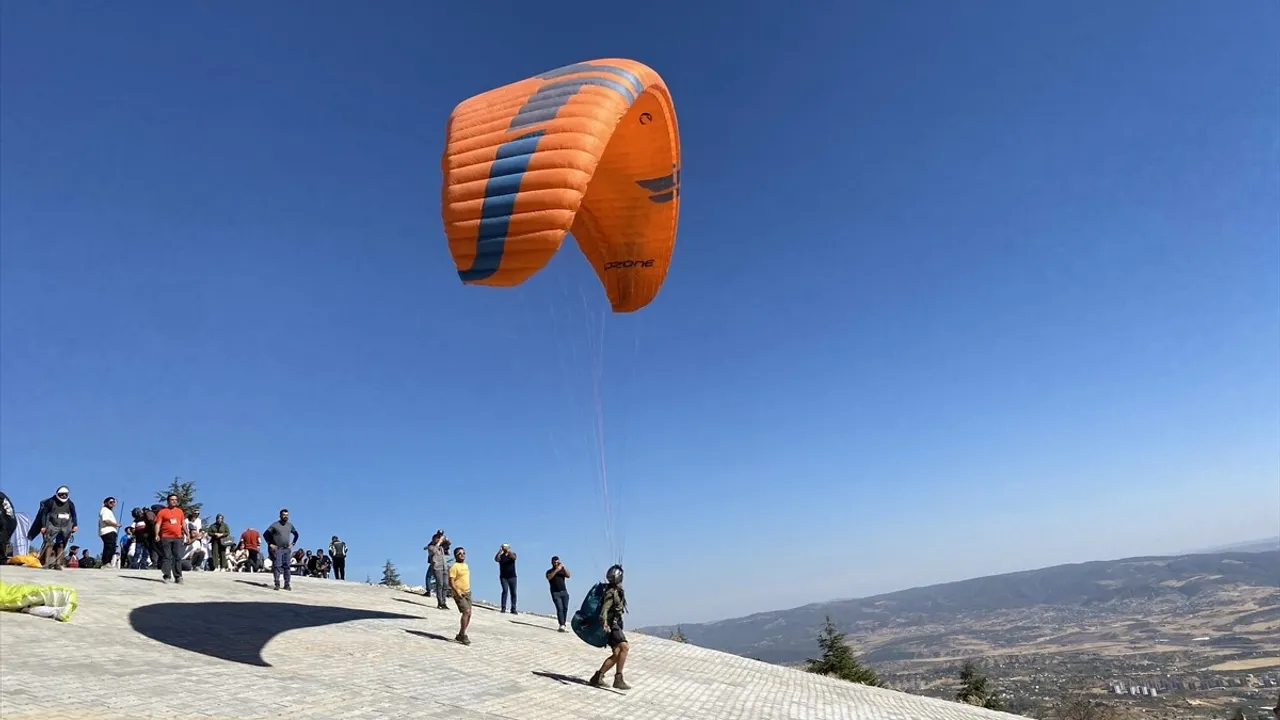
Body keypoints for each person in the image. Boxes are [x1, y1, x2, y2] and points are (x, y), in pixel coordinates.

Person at [589, 564, 630, 690]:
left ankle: (598, 677)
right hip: (613, 625)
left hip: (616, 623)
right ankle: (618, 678)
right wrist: (605, 622)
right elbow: (605, 608)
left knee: (617, 653)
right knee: (624, 647)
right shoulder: (611, 592)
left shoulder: (618, 590)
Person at [30, 486, 78, 570]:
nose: (63, 496)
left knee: (61, 544)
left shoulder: (70, 503)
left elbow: (74, 514)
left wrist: (75, 525)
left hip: (65, 526)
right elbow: (44, 514)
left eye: (65, 494)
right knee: (49, 543)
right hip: (52, 525)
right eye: (61, 494)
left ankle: (57, 563)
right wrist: (43, 526)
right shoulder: (50, 502)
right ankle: (46, 562)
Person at [154, 494, 189, 584]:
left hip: (178, 537)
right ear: (168, 501)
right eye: (172, 499)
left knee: (177, 557)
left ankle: (178, 576)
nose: (174, 501)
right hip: (166, 537)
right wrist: (157, 534)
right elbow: (158, 524)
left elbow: (183, 524)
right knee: (167, 556)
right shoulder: (162, 512)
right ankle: (167, 576)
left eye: (175, 500)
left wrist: (187, 534)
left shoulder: (180, 511)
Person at [264, 508, 299, 591]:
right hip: (278, 549)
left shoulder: (290, 525)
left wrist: (293, 543)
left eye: (287, 515)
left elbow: (296, 534)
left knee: (287, 567)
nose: (285, 517)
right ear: (280, 516)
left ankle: (287, 584)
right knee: (277, 566)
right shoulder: (275, 525)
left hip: (287, 549)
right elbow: (266, 534)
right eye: (284, 515)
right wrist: (270, 544)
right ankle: (277, 584)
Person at [448, 546, 472, 645]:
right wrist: (457, 591)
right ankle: (463, 635)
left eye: (463, 553)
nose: (462, 555)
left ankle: (461, 634)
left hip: (467, 592)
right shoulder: (454, 567)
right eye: (459, 554)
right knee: (466, 611)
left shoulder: (466, 565)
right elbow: (451, 581)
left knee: (469, 614)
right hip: (459, 593)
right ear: (456, 556)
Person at [546, 556, 572, 632]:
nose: (556, 563)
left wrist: (563, 568)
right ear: (552, 563)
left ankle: (563, 624)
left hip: (564, 592)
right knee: (559, 608)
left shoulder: (562, 571)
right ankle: (562, 624)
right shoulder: (549, 571)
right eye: (554, 562)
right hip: (555, 593)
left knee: (565, 608)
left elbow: (568, 575)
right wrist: (557, 570)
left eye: (557, 562)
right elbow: (549, 578)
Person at [425, 531, 448, 609]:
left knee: (445, 585)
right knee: (440, 585)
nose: (439, 540)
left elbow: (448, 545)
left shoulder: (441, 547)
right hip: (437, 568)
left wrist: (445, 539)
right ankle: (440, 602)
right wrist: (439, 542)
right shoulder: (431, 547)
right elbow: (433, 551)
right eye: (437, 539)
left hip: (444, 567)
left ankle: (444, 602)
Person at [98, 497, 121, 568]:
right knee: (108, 546)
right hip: (107, 531)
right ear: (105, 503)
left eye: (114, 502)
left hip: (111, 531)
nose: (113, 504)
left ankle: (108, 562)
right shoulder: (105, 510)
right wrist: (116, 524)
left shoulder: (109, 511)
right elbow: (106, 520)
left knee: (112, 547)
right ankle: (105, 563)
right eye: (111, 502)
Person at [495, 543, 518, 614]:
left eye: (506, 547)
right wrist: (500, 551)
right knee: (505, 591)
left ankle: (513, 608)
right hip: (503, 577)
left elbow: (514, 558)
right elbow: (496, 559)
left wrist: (509, 551)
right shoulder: (501, 556)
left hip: (512, 577)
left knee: (513, 592)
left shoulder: (512, 554)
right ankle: (503, 607)